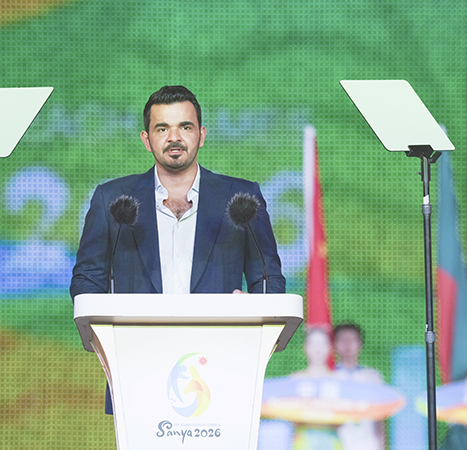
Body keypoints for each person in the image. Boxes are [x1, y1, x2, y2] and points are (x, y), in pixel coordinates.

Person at [70, 85, 286, 412]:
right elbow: (87, 279)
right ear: (146, 139)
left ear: (201, 135)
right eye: (162, 129)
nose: (174, 138)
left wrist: (253, 312)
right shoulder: (112, 199)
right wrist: (107, 331)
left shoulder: (240, 197)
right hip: (136, 365)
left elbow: (268, 278)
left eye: (185, 127)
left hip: (221, 365)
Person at [289, 327, 343, 450]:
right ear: (305, 347)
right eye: (313, 343)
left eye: (322, 343)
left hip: (331, 441)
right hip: (304, 441)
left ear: (330, 347)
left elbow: (345, 415)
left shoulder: (339, 380)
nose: (317, 348)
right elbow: (288, 413)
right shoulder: (295, 379)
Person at [333, 323, 384, 450]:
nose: (348, 345)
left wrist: (381, 444)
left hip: (368, 443)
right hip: (338, 442)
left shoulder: (373, 377)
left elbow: (379, 418)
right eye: (343, 340)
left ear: (360, 344)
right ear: (334, 344)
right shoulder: (330, 377)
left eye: (352, 340)